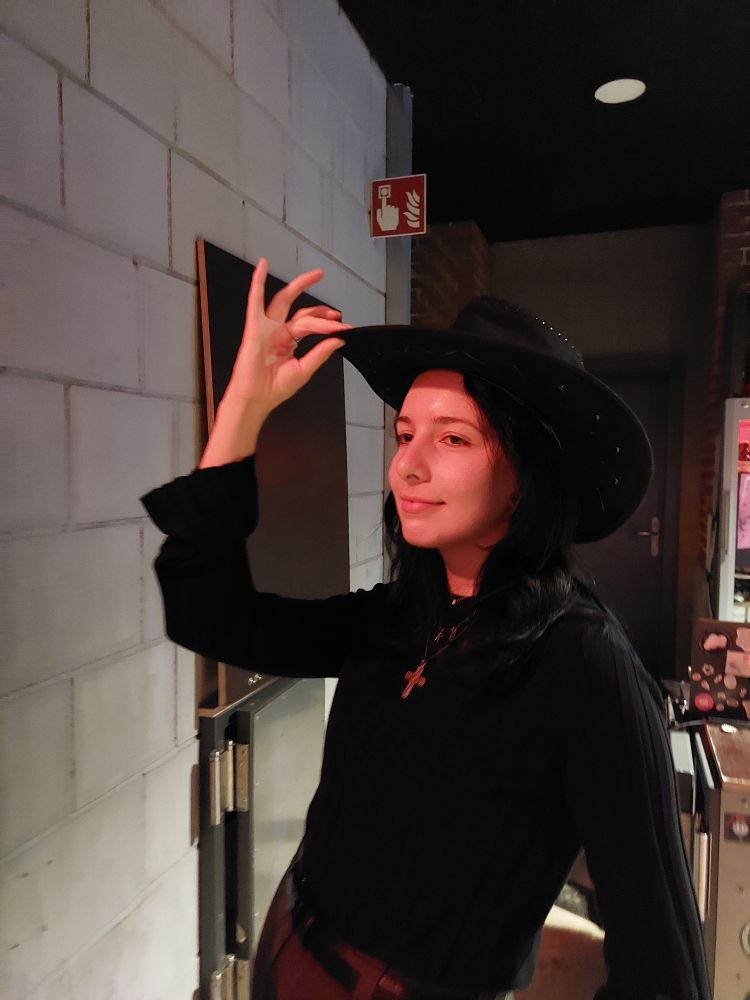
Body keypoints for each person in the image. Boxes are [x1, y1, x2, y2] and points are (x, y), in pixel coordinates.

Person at [140, 259, 712, 1000]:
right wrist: (243, 407)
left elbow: (665, 975)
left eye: (453, 440)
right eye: (405, 433)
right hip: (284, 954)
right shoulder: (400, 614)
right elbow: (210, 616)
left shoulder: (582, 661)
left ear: (527, 474)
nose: (405, 468)